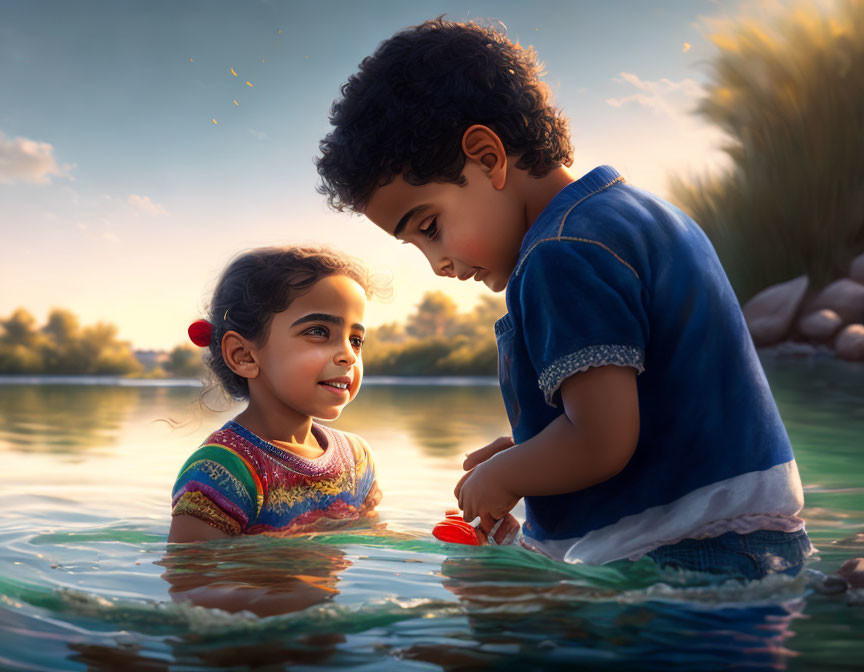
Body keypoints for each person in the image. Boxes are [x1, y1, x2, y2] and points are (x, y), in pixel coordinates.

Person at [315, 19, 811, 580]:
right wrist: (523, 451)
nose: (439, 266)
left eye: (430, 228)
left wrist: (504, 480)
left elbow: (601, 440)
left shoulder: (559, 253)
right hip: (752, 539)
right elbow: (646, 410)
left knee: (482, 608)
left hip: (684, 556)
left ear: (487, 156)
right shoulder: (635, 215)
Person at [168, 246, 382, 544]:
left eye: (356, 340)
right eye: (319, 331)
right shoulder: (223, 470)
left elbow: (373, 540)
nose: (348, 355)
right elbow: (189, 581)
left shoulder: (357, 459)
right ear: (244, 356)